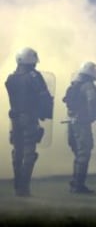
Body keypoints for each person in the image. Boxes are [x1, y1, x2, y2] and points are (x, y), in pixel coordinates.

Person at [5, 47, 53, 197]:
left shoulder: (11, 78)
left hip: (14, 118)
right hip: (29, 118)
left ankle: (17, 184)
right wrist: (44, 114)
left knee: (17, 152)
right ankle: (23, 187)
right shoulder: (33, 76)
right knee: (29, 153)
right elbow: (44, 96)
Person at [63, 61, 96, 194]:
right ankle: (78, 185)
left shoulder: (74, 85)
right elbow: (92, 102)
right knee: (84, 153)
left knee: (78, 153)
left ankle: (75, 181)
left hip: (72, 122)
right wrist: (93, 115)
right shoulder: (89, 86)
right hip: (82, 123)